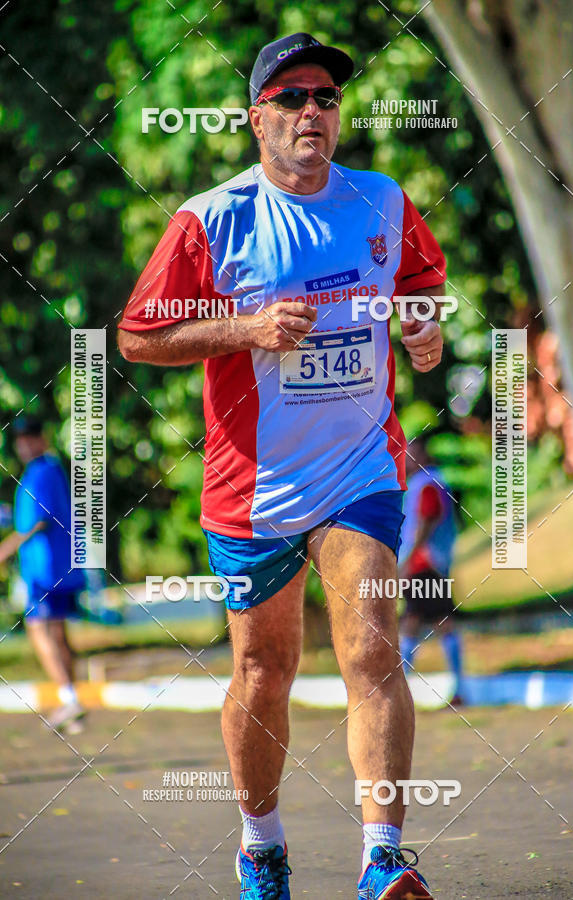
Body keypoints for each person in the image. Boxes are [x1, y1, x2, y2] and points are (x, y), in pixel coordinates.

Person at [118, 32, 447, 900]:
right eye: (292, 97)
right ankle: (261, 846)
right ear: (255, 117)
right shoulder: (213, 219)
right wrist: (247, 328)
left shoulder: (381, 200)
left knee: (372, 650)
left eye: (326, 97)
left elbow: (421, 286)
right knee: (264, 673)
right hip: (253, 487)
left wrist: (423, 328)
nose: (312, 111)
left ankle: (383, 856)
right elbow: (138, 336)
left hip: (360, 469)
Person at [0, 416, 86, 732]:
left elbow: (37, 521)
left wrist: (4, 550)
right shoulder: (46, 470)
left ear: (42, 438)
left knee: (40, 630)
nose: (24, 444)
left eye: (30, 437)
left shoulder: (41, 472)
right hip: (58, 567)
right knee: (57, 633)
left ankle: (69, 698)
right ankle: (72, 703)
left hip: (47, 570)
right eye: (20, 439)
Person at [398, 439, 463, 705]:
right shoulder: (432, 482)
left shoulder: (426, 484)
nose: (405, 461)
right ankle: (457, 688)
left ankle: (401, 690)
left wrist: (408, 559)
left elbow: (426, 520)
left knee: (422, 621)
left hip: (424, 565)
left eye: (410, 454)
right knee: (423, 620)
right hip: (431, 564)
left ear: (423, 455)